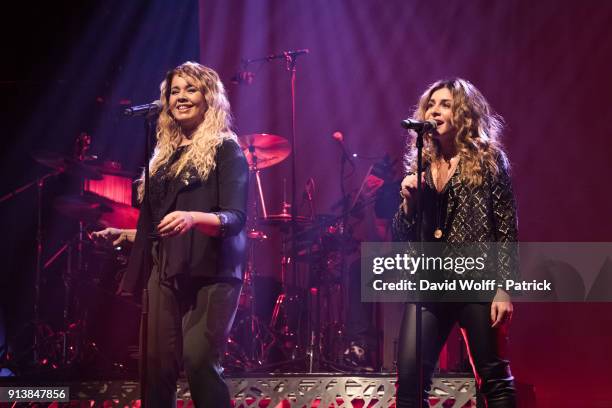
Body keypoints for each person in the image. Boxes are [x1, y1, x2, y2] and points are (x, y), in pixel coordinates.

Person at [93, 62, 248, 407]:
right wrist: (130, 234)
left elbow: (235, 218)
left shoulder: (226, 149)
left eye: (190, 89)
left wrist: (193, 218)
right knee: (155, 367)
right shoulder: (162, 159)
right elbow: (165, 225)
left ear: (209, 98)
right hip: (166, 269)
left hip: (213, 272)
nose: (180, 97)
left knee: (198, 361)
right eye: (174, 91)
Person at [392, 78, 518, 407]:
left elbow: (505, 227)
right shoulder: (420, 166)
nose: (434, 110)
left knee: (493, 378)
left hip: (477, 280)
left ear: (464, 113)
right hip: (429, 284)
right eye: (431, 104)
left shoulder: (489, 160)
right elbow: (402, 238)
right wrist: (408, 204)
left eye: (445, 104)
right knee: (409, 381)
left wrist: (504, 289)